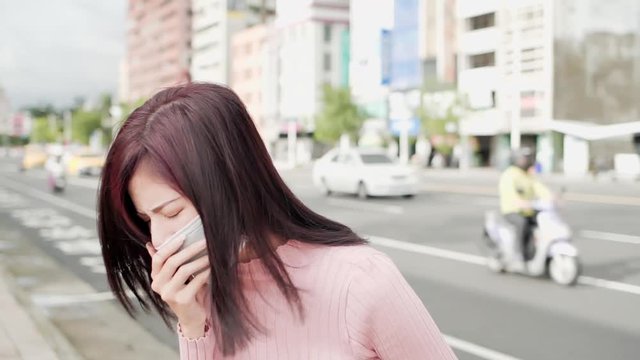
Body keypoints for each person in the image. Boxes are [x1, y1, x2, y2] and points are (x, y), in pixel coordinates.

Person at [97, 83, 456, 359]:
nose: (159, 239)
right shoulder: (201, 292)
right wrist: (192, 324)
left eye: (171, 212)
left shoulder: (359, 281)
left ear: (232, 182)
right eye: (147, 219)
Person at [499, 148, 552, 269]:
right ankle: (519, 255)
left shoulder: (528, 175)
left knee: (544, 222)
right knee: (522, 224)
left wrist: (552, 198)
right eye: (524, 158)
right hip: (512, 211)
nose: (527, 161)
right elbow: (510, 195)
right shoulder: (509, 174)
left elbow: (540, 188)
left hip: (528, 210)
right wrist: (521, 203)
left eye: (528, 159)